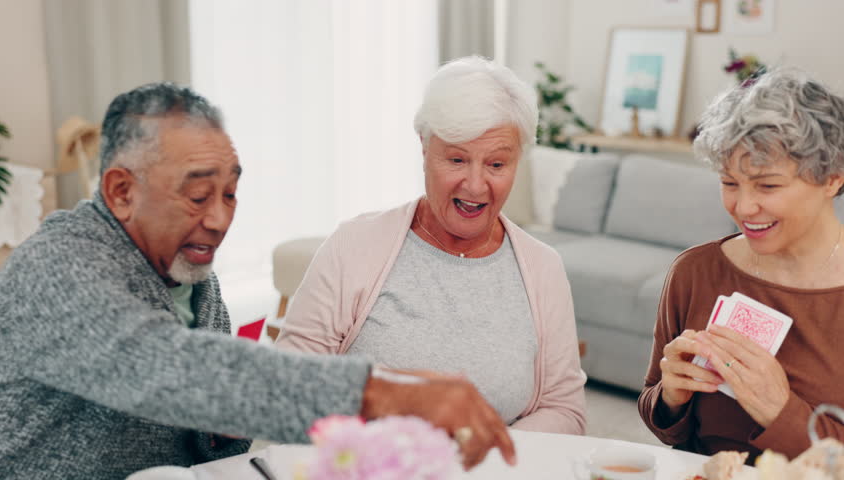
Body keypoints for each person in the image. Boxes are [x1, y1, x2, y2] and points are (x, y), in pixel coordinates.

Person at [0, 83, 515, 478]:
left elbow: (217, 434)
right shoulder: (58, 267)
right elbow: (167, 369)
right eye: (195, 195)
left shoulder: (191, 274)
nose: (218, 220)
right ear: (120, 192)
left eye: (230, 193)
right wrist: (383, 390)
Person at [275, 56, 587, 434]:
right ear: (424, 148)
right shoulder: (354, 246)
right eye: (457, 159)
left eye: (496, 165)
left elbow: (564, 409)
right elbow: (287, 387)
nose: (475, 185)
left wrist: (486, 457)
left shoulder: (543, 268)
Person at [638, 68, 844, 461]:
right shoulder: (694, 272)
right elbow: (659, 417)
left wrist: (782, 414)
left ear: (832, 178)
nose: (744, 207)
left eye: (768, 185)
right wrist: (671, 397)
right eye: (729, 182)